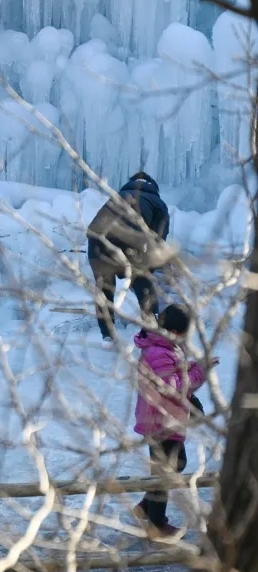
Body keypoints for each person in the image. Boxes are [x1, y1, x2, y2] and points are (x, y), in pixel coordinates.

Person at [131, 304, 214, 539]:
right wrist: (200, 372)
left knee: (171, 466)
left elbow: (175, 372)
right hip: (160, 421)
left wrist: (196, 366)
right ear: (176, 331)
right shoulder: (158, 351)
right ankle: (156, 524)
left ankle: (144, 508)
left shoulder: (165, 346)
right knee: (167, 470)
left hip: (166, 419)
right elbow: (174, 387)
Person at [87, 171, 171, 342]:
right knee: (145, 286)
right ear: (154, 187)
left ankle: (107, 335)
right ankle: (151, 332)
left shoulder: (116, 198)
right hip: (129, 240)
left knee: (104, 288)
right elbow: (158, 242)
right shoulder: (157, 203)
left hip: (96, 240)